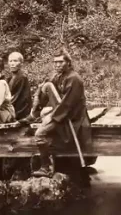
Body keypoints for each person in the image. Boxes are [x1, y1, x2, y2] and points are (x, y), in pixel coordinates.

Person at [26, 50, 93, 178]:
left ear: (68, 62)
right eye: (55, 62)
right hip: (61, 111)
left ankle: (46, 167)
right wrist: (39, 99)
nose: (57, 65)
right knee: (42, 116)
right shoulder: (58, 76)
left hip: (72, 116)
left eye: (60, 62)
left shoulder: (74, 79)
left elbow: (68, 104)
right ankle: (34, 117)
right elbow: (47, 88)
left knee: (39, 134)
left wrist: (52, 117)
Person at [7, 52, 32, 120]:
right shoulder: (9, 78)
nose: (12, 63)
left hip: (21, 110)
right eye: (10, 61)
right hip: (13, 106)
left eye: (15, 61)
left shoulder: (22, 77)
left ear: (21, 63)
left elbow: (17, 97)